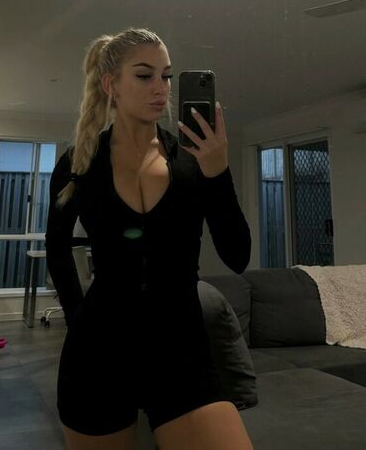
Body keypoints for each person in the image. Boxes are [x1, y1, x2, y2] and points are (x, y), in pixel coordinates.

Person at [45, 26, 254, 450]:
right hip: (97, 353)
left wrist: (218, 172)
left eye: (166, 76)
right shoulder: (79, 161)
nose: (161, 88)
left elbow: (237, 256)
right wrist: (77, 319)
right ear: (111, 85)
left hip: (182, 352)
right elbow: (57, 248)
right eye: (144, 76)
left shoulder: (193, 161)